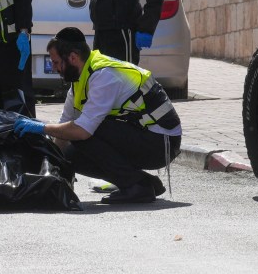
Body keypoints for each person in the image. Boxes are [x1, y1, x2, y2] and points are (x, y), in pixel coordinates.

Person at [13, 27, 181, 204]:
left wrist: (41, 127)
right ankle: (143, 183)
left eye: (56, 63)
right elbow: (63, 132)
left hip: (162, 142)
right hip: (144, 136)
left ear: (72, 58)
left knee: (82, 132)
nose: (54, 68)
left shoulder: (103, 76)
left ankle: (136, 186)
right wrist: (49, 168)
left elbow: (81, 131)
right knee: (69, 155)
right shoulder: (79, 81)